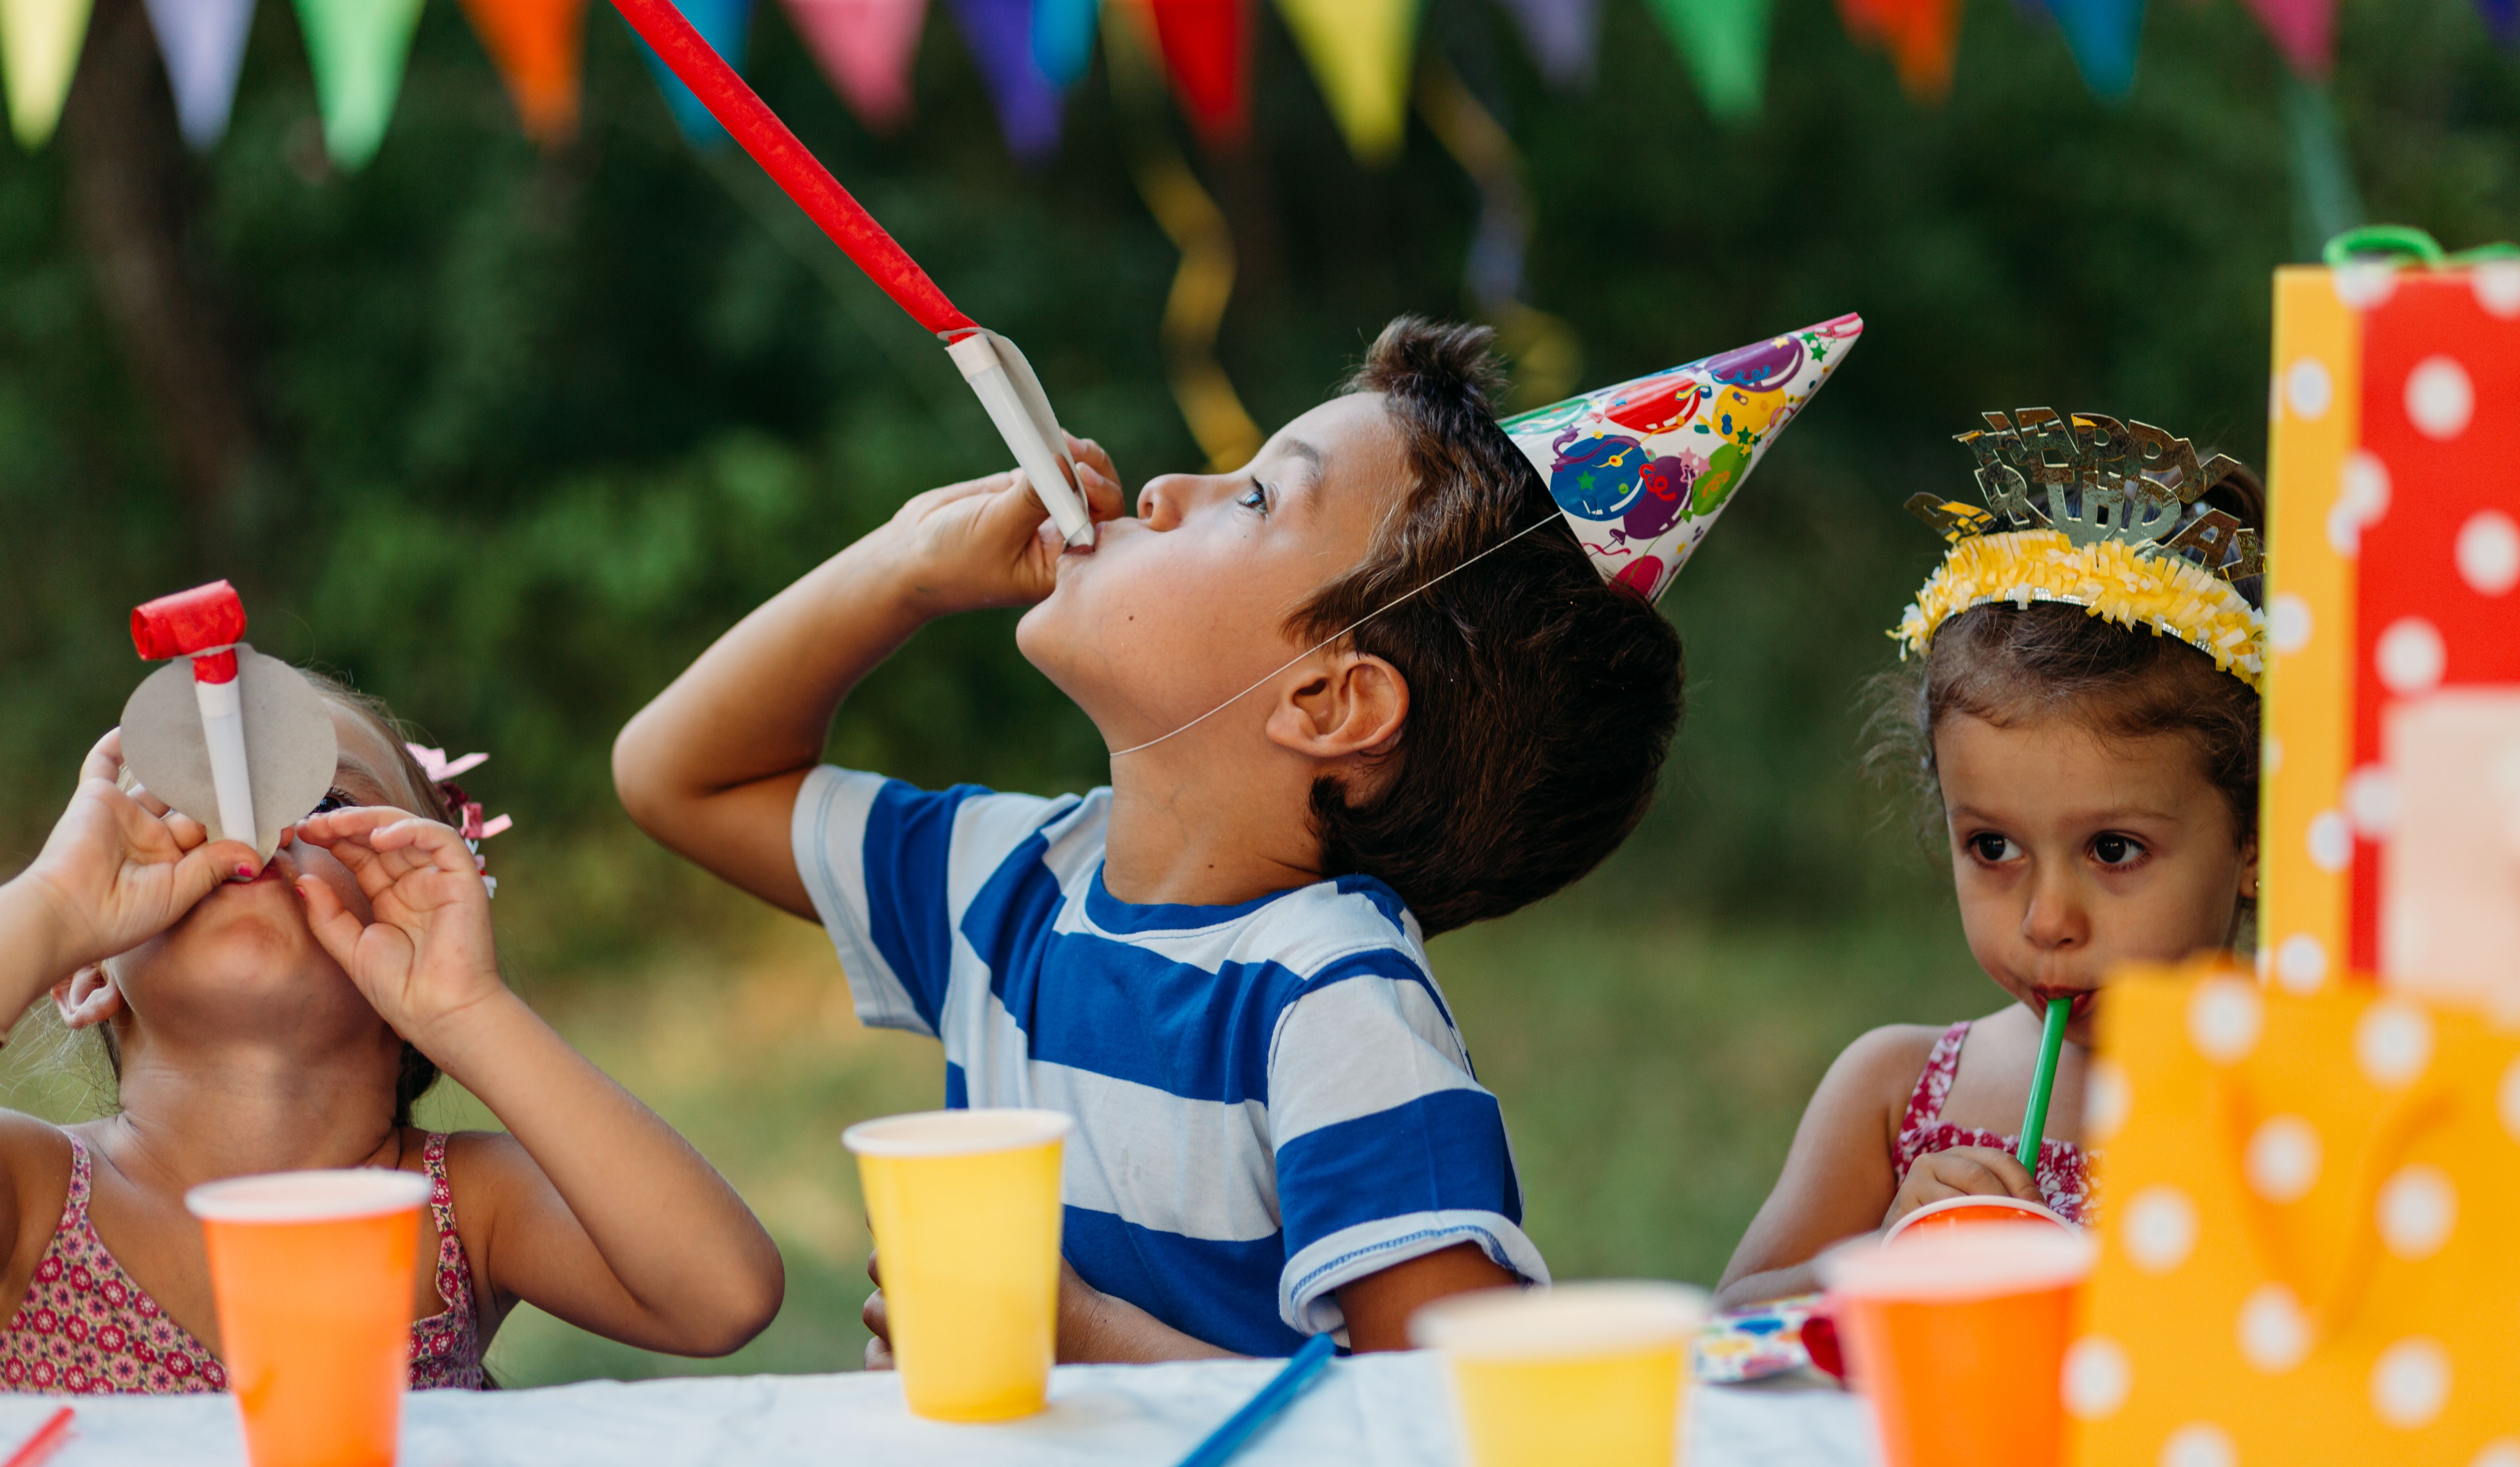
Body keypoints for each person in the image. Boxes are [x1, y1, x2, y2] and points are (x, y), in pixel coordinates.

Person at [614, 319, 1693, 1359]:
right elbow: (678, 778)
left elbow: (1443, 1423)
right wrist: (907, 567)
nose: (1167, 490)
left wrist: (1080, 1345)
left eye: (1257, 495)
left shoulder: (1334, 1008)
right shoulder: (1006, 888)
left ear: (1326, 704)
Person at [0, 677, 783, 1393]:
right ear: (85, 975)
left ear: (423, 918)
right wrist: (53, 913)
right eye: (179, 798)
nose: (245, 820)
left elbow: (723, 1295)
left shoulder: (464, 1208)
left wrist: (469, 1011)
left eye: (327, 798)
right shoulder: (31, 1196)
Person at [1715, 410, 2264, 1310]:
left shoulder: (2302, 1100)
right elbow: (1731, 1323)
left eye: (2114, 850)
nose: (2048, 920)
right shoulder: (1893, 1093)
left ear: (2251, 839)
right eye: (1995, 847)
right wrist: (1882, 1257)